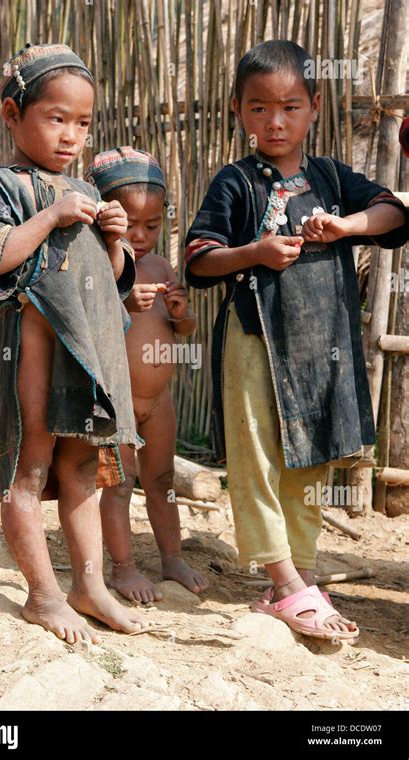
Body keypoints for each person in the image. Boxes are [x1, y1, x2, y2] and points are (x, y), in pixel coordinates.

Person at [185, 40, 408, 642]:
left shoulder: (331, 177)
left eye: (289, 106)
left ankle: (300, 571)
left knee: (310, 455)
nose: (274, 121)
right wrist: (254, 253)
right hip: (254, 341)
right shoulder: (235, 181)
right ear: (238, 111)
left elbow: (394, 214)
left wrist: (347, 225)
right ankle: (284, 582)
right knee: (257, 456)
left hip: (321, 344)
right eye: (258, 108)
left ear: (314, 106)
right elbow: (198, 258)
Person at [0, 44, 150, 643]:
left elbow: (109, 287)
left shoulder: (86, 191)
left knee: (80, 471)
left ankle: (88, 584)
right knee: (29, 467)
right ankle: (42, 595)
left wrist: (115, 240)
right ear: (12, 114)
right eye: (56, 117)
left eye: (84, 123)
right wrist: (51, 216)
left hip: (86, 360)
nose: (72, 135)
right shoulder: (0, 187)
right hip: (33, 355)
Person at [85, 148, 209, 603]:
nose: (140, 236)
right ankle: (123, 567)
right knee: (118, 485)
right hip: (113, 399)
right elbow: (84, 324)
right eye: (129, 224)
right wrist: (122, 303)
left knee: (162, 482)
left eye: (152, 226)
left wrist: (180, 314)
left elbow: (185, 329)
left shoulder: (159, 267)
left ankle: (171, 556)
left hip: (159, 403)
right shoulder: (97, 263)